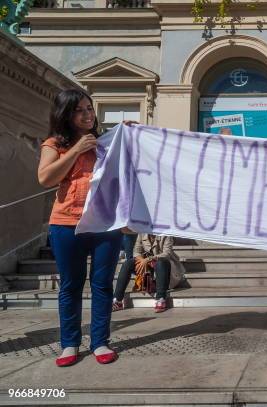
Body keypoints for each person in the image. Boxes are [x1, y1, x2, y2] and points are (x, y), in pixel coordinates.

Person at [38, 89, 126, 367]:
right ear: (67, 113)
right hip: (66, 224)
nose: (88, 114)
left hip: (104, 223)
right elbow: (45, 178)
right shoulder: (55, 143)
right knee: (71, 285)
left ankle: (100, 342)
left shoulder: (105, 141)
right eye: (81, 110)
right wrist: (76, 150)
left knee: (102, 285)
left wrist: (130, 135)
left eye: (90, 108)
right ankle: (70, 345)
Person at [112, 234, 185, 313]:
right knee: (127, 264)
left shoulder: (166, 234)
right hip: (149, 267)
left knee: (160, 262)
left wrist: (148, 259)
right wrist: (142, 261)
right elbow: (136, 251)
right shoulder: (142, 233)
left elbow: (167, 254)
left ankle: (161, 299)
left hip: (166, 268)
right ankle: (117, 300)